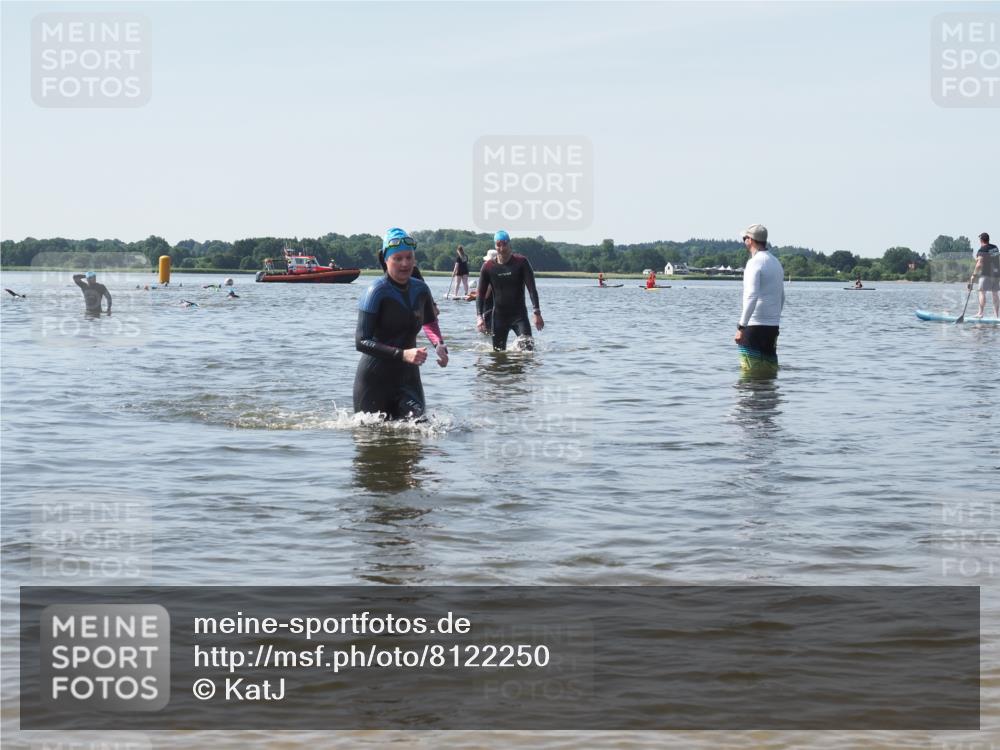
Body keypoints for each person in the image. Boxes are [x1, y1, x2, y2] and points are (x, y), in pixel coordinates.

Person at [354, 228, 448, 420]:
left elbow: (430, 322)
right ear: (385, 260)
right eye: (397, 258)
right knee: (373, 442)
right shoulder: (375, 292)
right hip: (374, 381)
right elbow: (361, 341)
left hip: (408, 379)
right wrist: (403, 354)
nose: (405, 263)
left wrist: (439, 344)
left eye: (409, 257)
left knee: (420, 425)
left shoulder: (421, 289)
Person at [476, 230, 543, 350]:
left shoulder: (521, 262)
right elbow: (480, 294)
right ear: (495, 246)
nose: (502, 248)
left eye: (504, 244)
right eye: (498, 245)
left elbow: (532, 289)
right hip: (499, 317)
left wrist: (537, 313)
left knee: (528, 350)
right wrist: (479, 317)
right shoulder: (488, 267)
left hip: (519, 316)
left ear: (509, 244)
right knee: (498, 355)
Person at [734, 224, 785, 375]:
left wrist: (741, 327)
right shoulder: (776, 262)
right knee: (769, 371)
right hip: (772, 326)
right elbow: (782, 296)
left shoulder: (754, 263)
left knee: (749, 372)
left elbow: (751, 295)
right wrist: (774, 318)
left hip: (754, 325)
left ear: (751, 240)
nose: (744, 241)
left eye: (745, 238)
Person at [968, 232, 1000, 319]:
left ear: (981, 240)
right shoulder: (995, 248)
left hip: (986, 274)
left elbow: (979, 264)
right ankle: (997, 316)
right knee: (995, 293)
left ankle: (980, 313)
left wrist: (973, 275)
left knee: (982, 292)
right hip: (996, 274)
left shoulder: (982, 250)